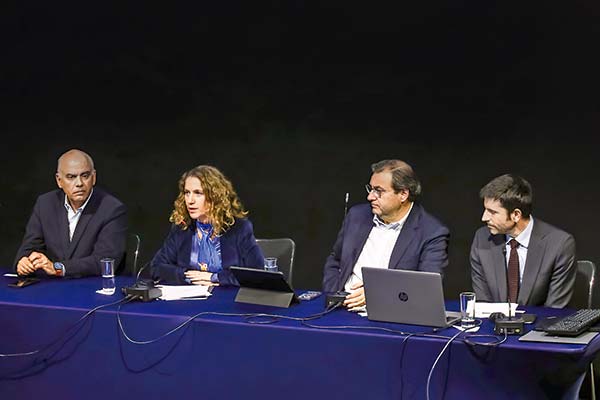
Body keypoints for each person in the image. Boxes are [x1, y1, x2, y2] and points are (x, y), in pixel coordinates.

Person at [322, 159, 450, 310]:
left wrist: (376, 292)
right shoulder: (356, 216)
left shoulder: (431, 232)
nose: (370, 197)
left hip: (390, 313)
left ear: (403, 194)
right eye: (370, 189)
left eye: (379, 191)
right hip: (342, 307)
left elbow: (427, 285)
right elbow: (335, 260)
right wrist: (333, 294)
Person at [14, 149, 127, 277]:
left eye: (85, 176)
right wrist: (25, 261)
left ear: (94, 177)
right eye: (71, 177)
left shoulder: (111, 209)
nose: (79, 183)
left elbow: (105, 260)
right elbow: (30, 247)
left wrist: (58, 268)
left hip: (92, 288)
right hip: (53, 288)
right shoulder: (45, 204)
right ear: (59, 180)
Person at [470, 174, 576, 308]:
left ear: (516, 215)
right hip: (493, 325)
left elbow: (554, 310)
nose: (484, 217)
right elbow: (483, 303)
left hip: (539, 325)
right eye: (485, 209)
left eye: (492, 212)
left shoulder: (559, 244)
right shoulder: (482, 239)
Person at [151, 165, 264, 286]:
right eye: (187, 193)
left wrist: (215, 278)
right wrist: (188, 276)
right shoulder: (182, 228)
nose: (190, 200)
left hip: (226, 300)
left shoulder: (239, 228)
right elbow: (156, 267)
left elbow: (257, 274)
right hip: (189, 300)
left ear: (215, 196)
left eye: (198, 193)